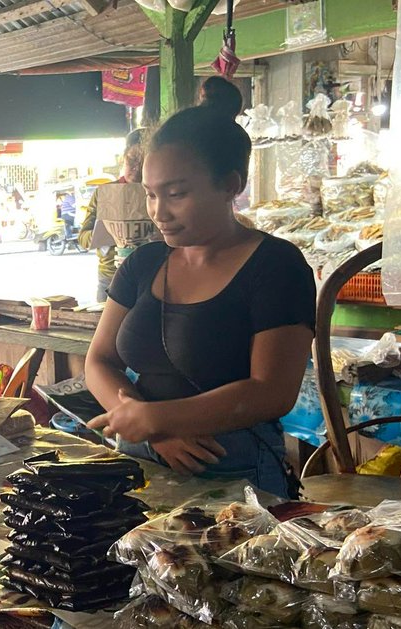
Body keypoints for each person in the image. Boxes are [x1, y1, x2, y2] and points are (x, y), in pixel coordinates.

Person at [83, 106, 316, 498]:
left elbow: (272, 390)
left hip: (233, 470)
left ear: (230, 185)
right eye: (150, 194)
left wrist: (159, 419)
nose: (159, 212)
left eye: (176, 194)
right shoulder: (144, 262)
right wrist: (153, 429)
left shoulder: (276, 266)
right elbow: (99, 360)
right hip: (141, 460)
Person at [80, 128, 152, 302]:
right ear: (123, 158)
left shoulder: (158, 192)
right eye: (132, 160)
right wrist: (105, 233)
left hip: (150, 274)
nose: (136, 168)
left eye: (142, 162)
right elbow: (83, 237)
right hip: (110, 276)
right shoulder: (104, 193)